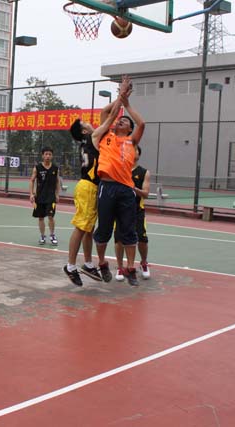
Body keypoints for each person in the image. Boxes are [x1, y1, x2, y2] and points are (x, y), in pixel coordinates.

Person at [63, 97, 123, 286]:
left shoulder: (88, 142)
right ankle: (70, 266)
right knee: (81, 227)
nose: (89, 122)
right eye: (85, 123)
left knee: (88, 228)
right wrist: (122, 98)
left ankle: (88, 264)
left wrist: (119, 99)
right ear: (84, 131)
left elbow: (106, 111)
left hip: (90, 187)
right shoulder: (94, 137)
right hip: (88, 186)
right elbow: (110, 116)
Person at [93, 76, 145, 286]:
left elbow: (142, 123)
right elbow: (107, 113)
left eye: (125, 121)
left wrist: (127, 103)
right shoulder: (104, 135)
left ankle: (130, 268)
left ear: (129, 129)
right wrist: (120, 97)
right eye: (120, 119)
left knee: (128, 231)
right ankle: (102, 263)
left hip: (125, 189)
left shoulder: (131, 141)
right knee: (104, 229)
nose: (120, 121)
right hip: (107, 187)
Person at [114, 145, 151, 281]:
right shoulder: (119, 170)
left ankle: (143, 262)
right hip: (121, 210)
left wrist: (134, 188)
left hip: (137, 210)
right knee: (119, 239)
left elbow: (146, 194)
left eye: (135, 150)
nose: (133, 152)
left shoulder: (144, 172)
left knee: (142, 239)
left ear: (139, 155)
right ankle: (120, 267)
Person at [29, 147, 61, 246]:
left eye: (49, 154)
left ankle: (52, 235)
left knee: (51, 216)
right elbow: (32, 180)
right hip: (39, 197)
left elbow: (57, 181)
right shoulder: (37, 168)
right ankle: (42, 236)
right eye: (46, 154)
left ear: (52, 156)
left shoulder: (55, 168)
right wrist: (31, 194)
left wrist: (57, 194)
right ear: (42, 155)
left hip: (51, 197)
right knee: (41, 218)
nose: (48, 156)